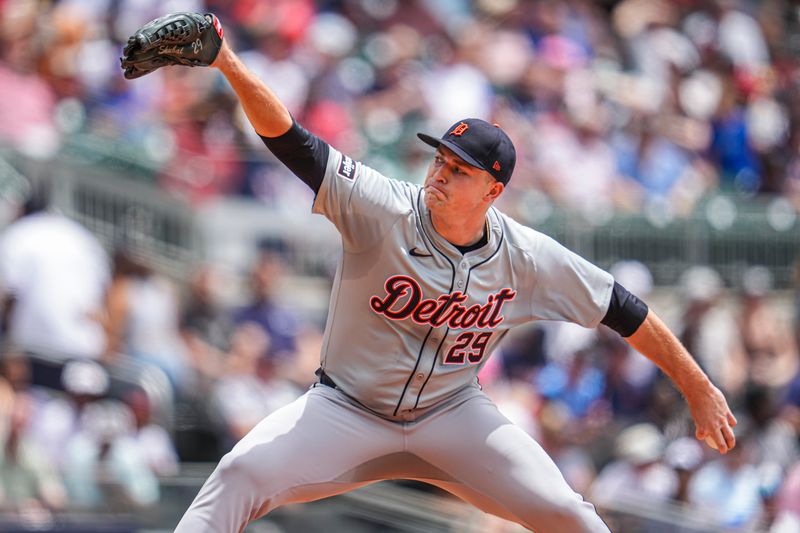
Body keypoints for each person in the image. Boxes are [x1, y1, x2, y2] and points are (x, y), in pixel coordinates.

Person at [123, 15, 737, 533]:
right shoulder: (383, 208)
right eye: (440, 159)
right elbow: (293, 142)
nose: (441, 173)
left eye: (460, 170)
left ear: (493, 190)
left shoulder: (526, 256)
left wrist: (698, 388)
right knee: (238, 475)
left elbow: (625, 310)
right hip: (345, 410)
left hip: (453, 414)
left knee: (569, 516)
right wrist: (227, 61)